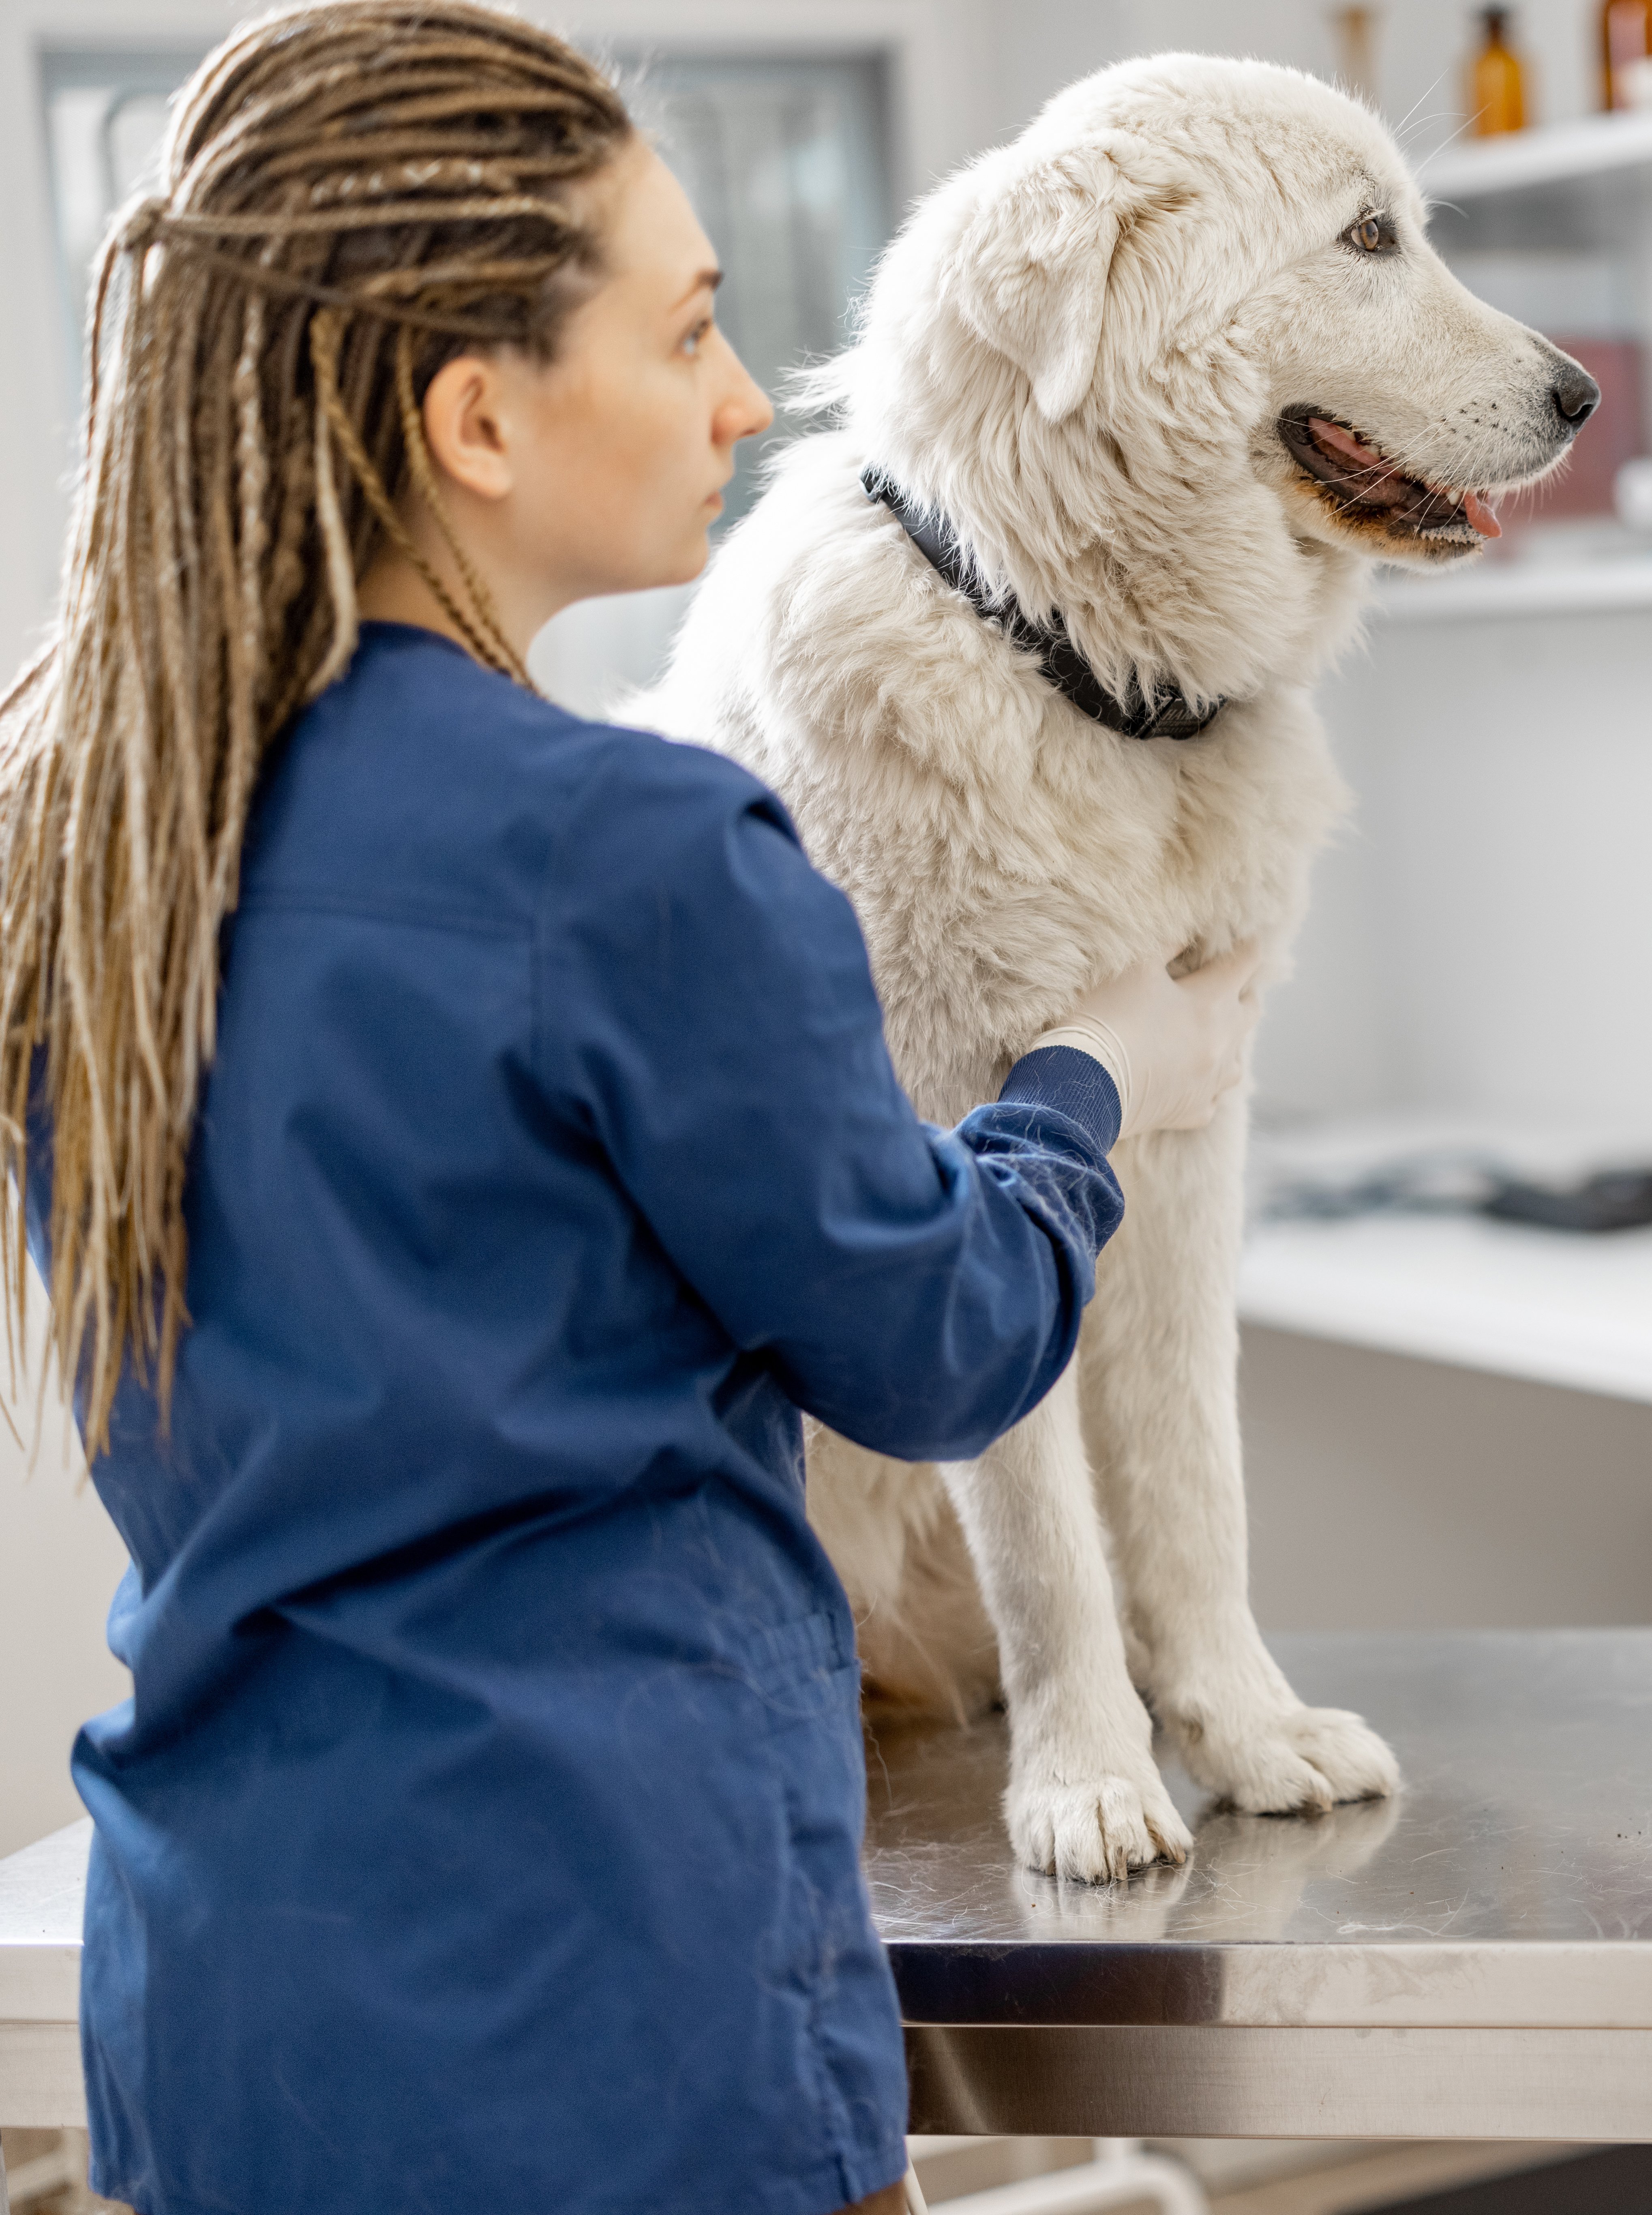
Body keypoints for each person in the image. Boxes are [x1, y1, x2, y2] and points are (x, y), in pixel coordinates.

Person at [0, 6, 1257, 2209]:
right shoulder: (639, 850)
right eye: (685, 332)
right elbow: (933, 1339)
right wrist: (1093, 1082)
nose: (746, 401)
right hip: (608, 2011)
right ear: (478, 415)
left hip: (217, 2003)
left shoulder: (82, 848)